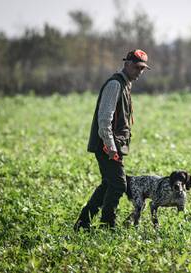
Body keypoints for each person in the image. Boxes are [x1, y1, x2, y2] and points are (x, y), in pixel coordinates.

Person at [74, 49, 151, 231]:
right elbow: (104, 119)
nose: (139, 72)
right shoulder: (115, 85)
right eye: (137, 67)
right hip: (107, 145)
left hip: (114, 145)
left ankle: (83, 223)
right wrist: (110, 147)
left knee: (108, 184)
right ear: (127, 64)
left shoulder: (125, 84)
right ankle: (107, 225)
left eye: (143, 68)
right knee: (119, 184)